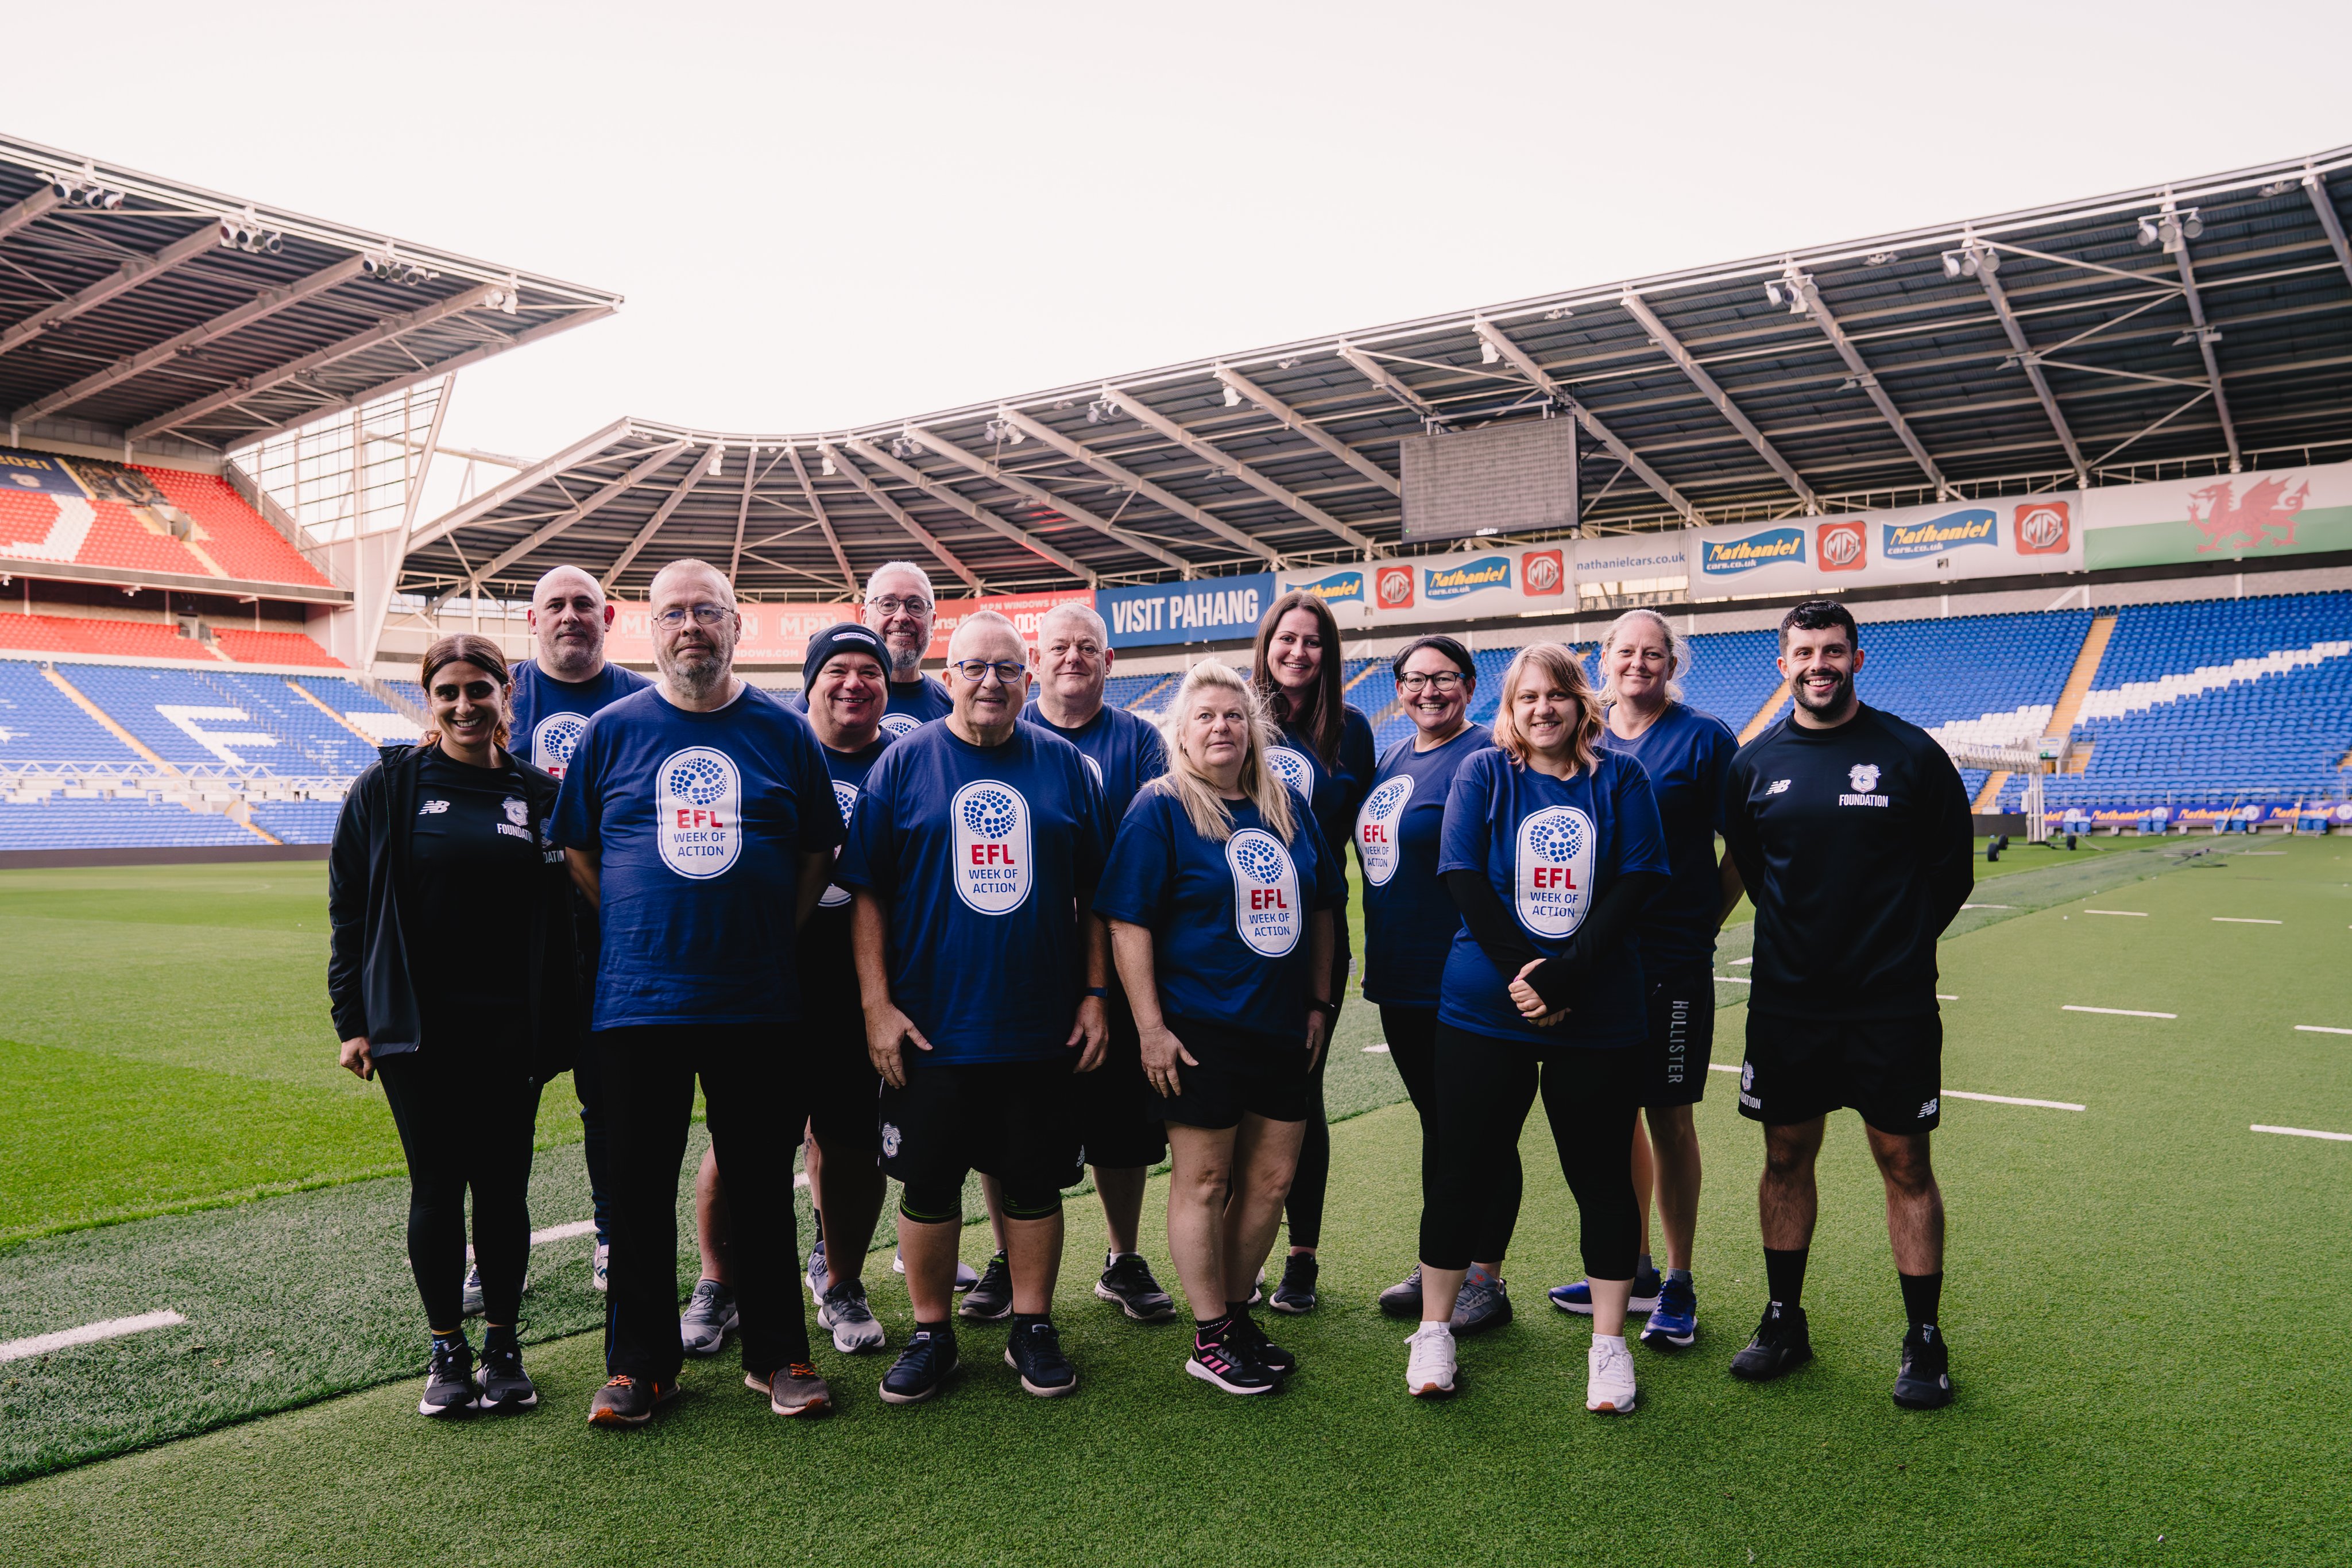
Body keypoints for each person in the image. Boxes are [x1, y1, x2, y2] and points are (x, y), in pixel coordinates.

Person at [553, 559, 842, 1426]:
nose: (692, 627)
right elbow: (580, 851)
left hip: (757, 997)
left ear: (736, 627)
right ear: (649, 628)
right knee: (637, 1186)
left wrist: (763, 928)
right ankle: (641, 1365)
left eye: (708, 613)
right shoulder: (611, 732)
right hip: (638, 999)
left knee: (760, 1181)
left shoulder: (784, 732)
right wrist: (646, 923)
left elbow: (818, 850)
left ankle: (779, 1355)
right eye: (674, 612)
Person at [838, 610, 1112, 1404]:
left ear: (1027, 678)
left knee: (1033, 1183)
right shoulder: (903, 763)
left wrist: (1097, 994)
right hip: (930, 1023)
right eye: (973, 667)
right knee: (926, 1185)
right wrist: (876, 1005)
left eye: (1005, 667)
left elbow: (1094, 892)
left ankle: (1032, 1324)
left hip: (1039, 1020)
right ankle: (933, 1331)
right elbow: (867, 895)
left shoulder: (1064, 766)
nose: (990, 681)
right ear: (946, 673)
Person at [1720, 599, 1974, 1410]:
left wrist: (1891, 948)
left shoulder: (1911, 754)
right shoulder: (1755, 765)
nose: (1819, 663)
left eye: (1834, 650)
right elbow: (1758, 872)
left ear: (1858, 659)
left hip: (1890, 1007)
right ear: (1783, 662)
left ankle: (1924, 1338)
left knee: (1906, 1162)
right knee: (1785, 1157)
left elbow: (1952, 872)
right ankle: (1785, 1319)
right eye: (1805, 651)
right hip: (1789, 1004)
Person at [1407, 642, 1668, 1415]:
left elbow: (1639, 879)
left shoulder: (1622, 775)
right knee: (1463, 1168)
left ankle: (1610, 1346)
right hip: (1487, 1006)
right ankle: (1434, 1330)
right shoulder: (1484, 772)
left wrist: (1567, 973)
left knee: (1601, 1177)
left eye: (1556, 695)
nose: (1542, 709)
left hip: (1599, 1007)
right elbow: (1462, 876)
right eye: (1527, 698)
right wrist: (1528, 972)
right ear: (1510, 709)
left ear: (1579, 702)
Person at [328, 634, 582, 1418]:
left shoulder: (541, 793)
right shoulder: (391, 785)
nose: (465, 704)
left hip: (511, 1026)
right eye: (449, 692)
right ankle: (447, 1349)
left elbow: (569, 913)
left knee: (504, 1188)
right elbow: (351, 909)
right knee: (436, 1184)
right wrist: (353, 1019)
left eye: (480, 689)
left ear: (507, 696)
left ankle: (505, 1348)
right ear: (430, 700)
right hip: (417, 1029)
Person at [1097, 660, 1337, 1393]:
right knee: (1203, 1180)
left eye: (1233, 715)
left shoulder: (1286, 803)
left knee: (1269, 1180)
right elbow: (1127, 921)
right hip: (1199, 1028)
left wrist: (1320, 1005)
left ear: (1254, 729)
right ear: (1181, 731)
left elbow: (1325, 904)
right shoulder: (1160, 806)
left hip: (1279, 1027)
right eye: (1204, 717)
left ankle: (1235, 1316)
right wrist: (1149, 1028)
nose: (1221, 728)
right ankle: (1209, 1335)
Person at [679, 625, 897, 1360]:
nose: (854, 683)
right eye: (837, 669)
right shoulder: (767, 744)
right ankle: (719, 1282)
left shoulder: (906, 763)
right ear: (809, 683)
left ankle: (839, 1279)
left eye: (870, 671)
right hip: (762, 983)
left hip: (859, 990)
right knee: (737, 1143)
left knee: (852, 1145)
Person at [1547, 610, 1741, 1352]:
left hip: (1671, 958)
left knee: (1669, 1113)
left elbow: (1743, 846)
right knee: (1613, 1114)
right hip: (1600, 957)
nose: (1639, 663)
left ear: (1672, 663)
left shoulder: (1704, 737)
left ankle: (1681, 1278)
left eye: (1653, 653)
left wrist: (1705, 922)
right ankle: (1632, 1269)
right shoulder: (1583, 733)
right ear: (1604, 658)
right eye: (1626, 651)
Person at [1023, 601, 1176, 1323]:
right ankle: (1008, 1254)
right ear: (1036, 660)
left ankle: (1122, 1256)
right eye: (1059, 647)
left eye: (1088, 647)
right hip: (1026, 956)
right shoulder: (1007, 731)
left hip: (1116, 955)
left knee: (1119, 1119)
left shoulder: (1141, 739)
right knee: (1017, 1117)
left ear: (1109, 663)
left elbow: (1142, 841)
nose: (1073, 657)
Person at [505, 564, 652, 1301]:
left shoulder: (638, 699)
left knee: (610, 1101)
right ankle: (494, 1245)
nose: (569, 616)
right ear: (533, 619)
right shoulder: (498, 692)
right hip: (518, 938)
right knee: (505, 1103)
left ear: (609, 616)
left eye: (583, 605)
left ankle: (609, 1236)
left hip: (609, 938)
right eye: (554, 605)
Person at [1357, 637, 1506, 1331]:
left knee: (1480, 1132)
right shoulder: (1392, 756)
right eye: (1413, 680)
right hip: (1399, 974)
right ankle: (1440, 1259)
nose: (1428, 691)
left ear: (1469, 684)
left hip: (1459, 974)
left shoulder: (1486, 755)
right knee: (1438, 1128)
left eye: (1443, 678)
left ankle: (1485, 1276)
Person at [1249, 589, 1375, 1313]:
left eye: (1313, 641)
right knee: (1239, 1099)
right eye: (1286, 639)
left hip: (1316, 938)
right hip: (1236, 937)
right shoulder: (1234, 716)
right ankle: (1247, 1246)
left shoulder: (1350, 732)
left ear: (1329, 654)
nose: (1298, 653)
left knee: (1304, 1095)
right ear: (1266, 645)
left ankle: (1302, 1255)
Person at [831, 560, 952, 735]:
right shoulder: (826, 699)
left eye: (915, 606)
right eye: (888, 604)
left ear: (932, 623)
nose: (902, 617)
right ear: (865, 618)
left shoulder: (954, 708)